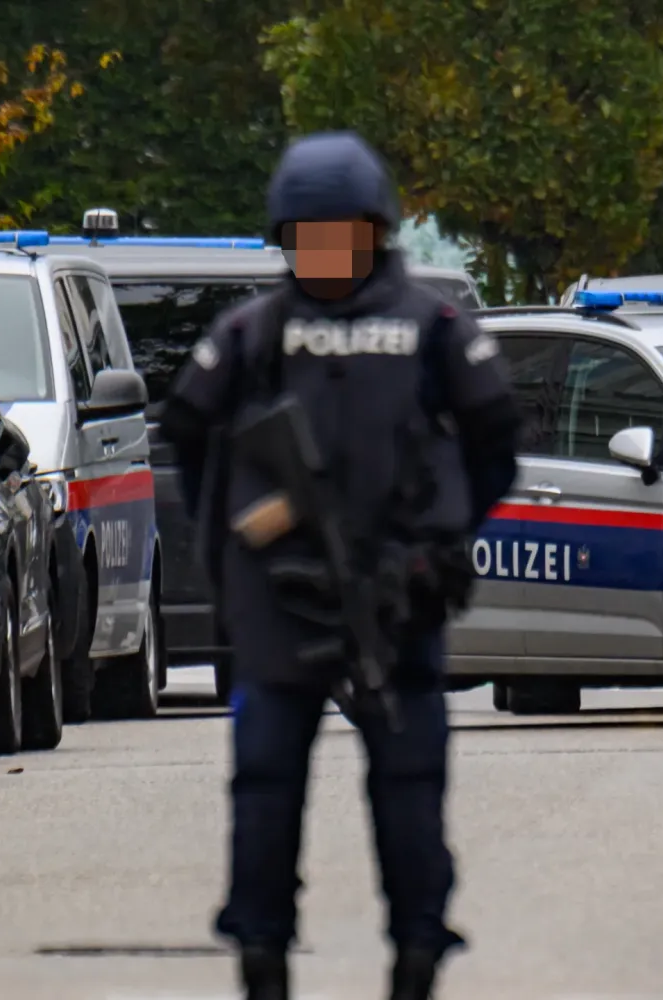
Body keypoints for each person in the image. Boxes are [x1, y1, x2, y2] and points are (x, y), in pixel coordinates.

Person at [158, 131, 521, 1000]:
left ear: (375, 233)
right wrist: (237, 551)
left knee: (408, 787)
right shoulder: (255, 333)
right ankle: (262, 954)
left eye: (339, 235)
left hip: (397, 601)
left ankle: (418, 951)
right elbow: (190, 434)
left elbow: (496, 438)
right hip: (280, 603)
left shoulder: (435, 330)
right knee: (267, 789)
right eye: (306, 236)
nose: (323, 252)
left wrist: (443, 538)